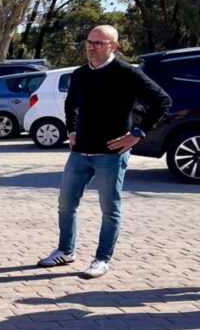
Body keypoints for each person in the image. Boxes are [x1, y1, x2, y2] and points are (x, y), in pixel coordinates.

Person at [37, 25, 171, 279]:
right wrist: (71, 130)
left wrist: (138, 134)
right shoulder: (79, 74)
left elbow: (163, 101)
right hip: (80, 153)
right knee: (66, 204)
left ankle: (102, 258)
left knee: (109, 208)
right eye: (89, 41)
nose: (91, 46)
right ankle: (65, 250)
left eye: (99, 42)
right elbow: (71, 104)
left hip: (111, 154)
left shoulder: (127, 73)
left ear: (114, 46)